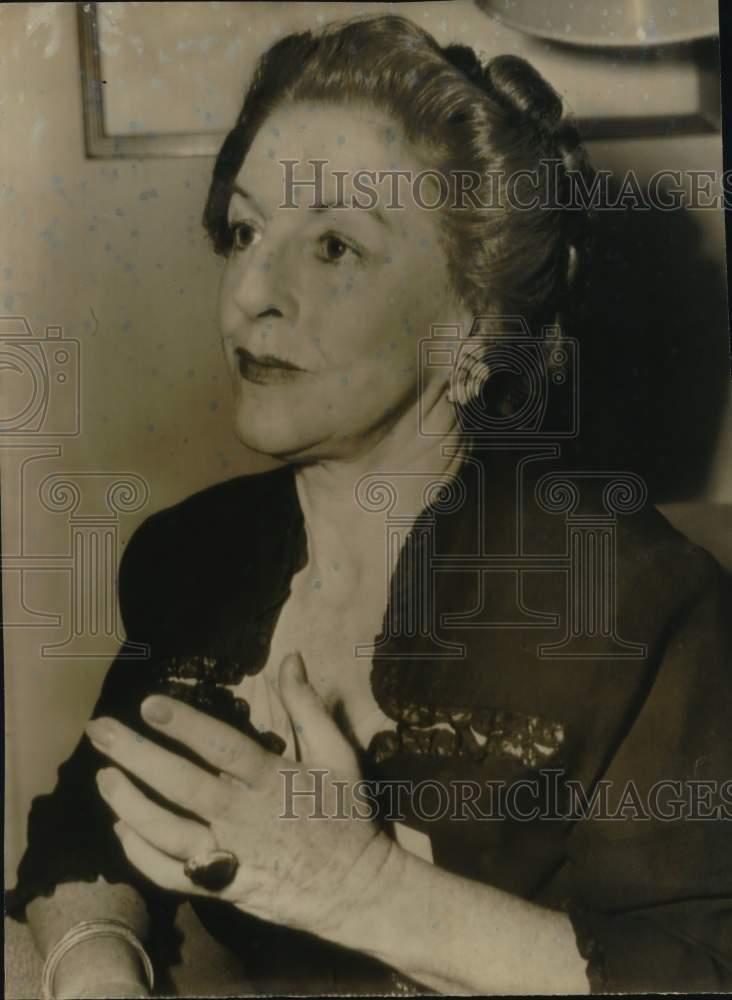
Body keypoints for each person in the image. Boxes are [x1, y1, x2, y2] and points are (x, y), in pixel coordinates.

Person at [8, 14, 732, 998]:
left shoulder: (641, 606)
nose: (250, 293)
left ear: (472, 320)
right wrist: (97, 967)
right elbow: (88, 825)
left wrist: (360, 888)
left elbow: (698, 971)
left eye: (334, 246)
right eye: (245, 231)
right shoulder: (199, 556)